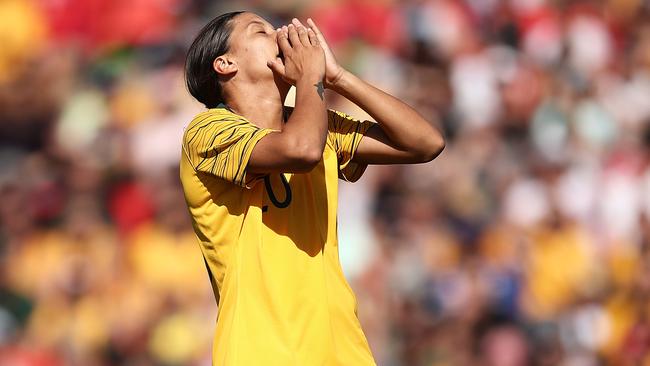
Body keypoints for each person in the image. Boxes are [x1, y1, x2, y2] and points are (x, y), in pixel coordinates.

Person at [180, 10, 445, 366]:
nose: (280, 35)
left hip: (342, 349)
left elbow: (425, 143)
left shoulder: (315, 123)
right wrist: (311, 80)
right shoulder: (208, 130)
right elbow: (301, 151)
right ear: (225, 64)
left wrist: (338, 78)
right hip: (263, 350)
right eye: (260, 31)